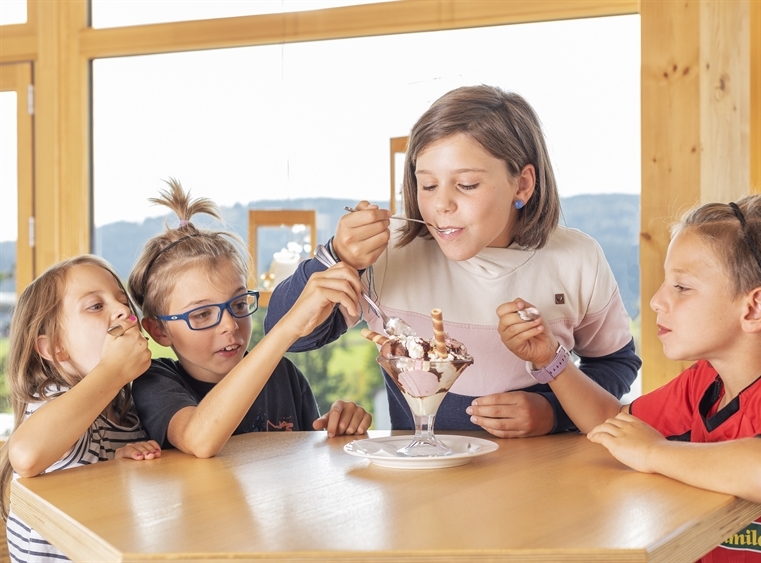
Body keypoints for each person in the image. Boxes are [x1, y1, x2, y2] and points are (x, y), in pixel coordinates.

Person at [265, 84, 641, 437]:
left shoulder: (576, 259)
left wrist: (553, 413)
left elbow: (615, 364)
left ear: (522, 184)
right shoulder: (388, 252)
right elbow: (285, 335)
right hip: (422, 490)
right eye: (427, 185)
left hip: (543, 483)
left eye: (466, 185)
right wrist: (337, 258)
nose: (441, 204)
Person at [498, 188, 761, 562]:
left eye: (682, 287)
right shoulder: (707, 380)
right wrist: (553, 359)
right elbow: (613, 424)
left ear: (754, 308)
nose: (656, 300)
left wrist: (655, 451)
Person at [128, 180, 371, 459]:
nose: (230, 325)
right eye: (203, 314)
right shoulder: (156, 382)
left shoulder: (284, 376)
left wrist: (336, 430)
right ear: (159, 330)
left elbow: (306, 463)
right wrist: (287, 328)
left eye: (239, 303)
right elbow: (199, 440)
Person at [0, 255, 161, 561]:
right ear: (54, 348)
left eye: (121, 299)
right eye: (96, 306)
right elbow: (26, 454)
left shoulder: (121, 408)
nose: (123, 310)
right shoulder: (55, 399)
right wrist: (112, 372)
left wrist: (119, 465)